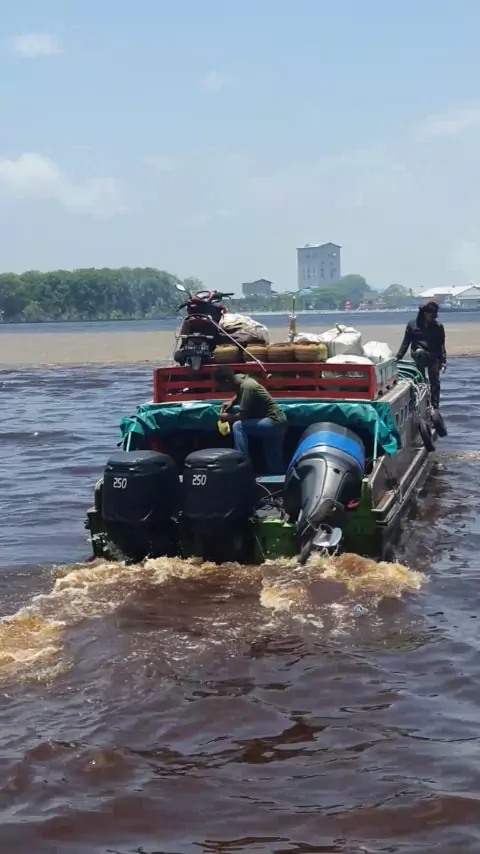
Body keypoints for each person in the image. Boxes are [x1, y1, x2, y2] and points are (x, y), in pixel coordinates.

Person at [214, 367, 287, 474]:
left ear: (227, 381)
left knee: (238, 426)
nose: (219, 388)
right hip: (280, 421)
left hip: (272, 421)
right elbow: (239, 390)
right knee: (273, 457)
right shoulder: (242, 379)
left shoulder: (247, 387)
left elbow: (243, 416)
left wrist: (227, 417)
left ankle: (241, 465)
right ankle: (278, 479)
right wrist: (232, 402)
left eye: (220, 385)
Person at [395, 301, 446, 410]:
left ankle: (435, 406)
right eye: (431, 315)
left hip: (433, 355)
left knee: (435, 382)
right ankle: (422, 400)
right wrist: (398, 357)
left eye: (435, 316)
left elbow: (441, 345)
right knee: (421, 377)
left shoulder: (438, 326)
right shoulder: (412, 325)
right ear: (425, 313)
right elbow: (406, 342)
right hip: (418, 354)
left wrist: (443, 362)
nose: (433, 318)